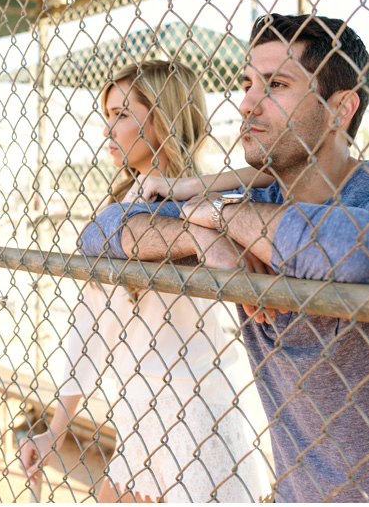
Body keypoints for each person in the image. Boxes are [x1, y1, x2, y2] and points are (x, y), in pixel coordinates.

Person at [78, 14, 369, 502]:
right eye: (247, 83)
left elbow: (367, 255)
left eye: (276, 85)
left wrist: (220, 215)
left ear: (340, 108)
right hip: (302, 492)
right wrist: (201, 230)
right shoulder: (256, 206)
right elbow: (100, 235)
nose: (247, 103)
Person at [19, 60, 272, 502]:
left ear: (163, 119)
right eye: (108, 115)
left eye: (121, 115)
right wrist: (55, 431)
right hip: (138, 403)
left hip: (199, 405)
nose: (106, 131)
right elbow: (89, 326)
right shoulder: (120, 207)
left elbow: (277, 171)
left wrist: (193, 196)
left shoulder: (208, 199)